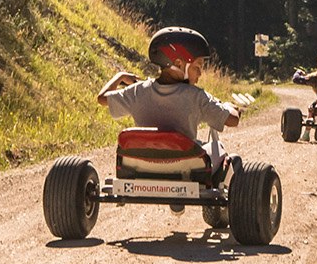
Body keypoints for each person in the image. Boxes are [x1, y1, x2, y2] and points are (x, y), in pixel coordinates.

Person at [96, 27, 245, 213]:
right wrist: (232, 108)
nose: (199, 75)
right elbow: (232, 120)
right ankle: (222, 210)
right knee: (222, 152)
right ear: (178, 63)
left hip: (140, 164)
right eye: (198, 67)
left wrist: (120, 77)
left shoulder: (138, 91)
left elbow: (102, 98)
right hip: (186, 168)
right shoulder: (196, 97)